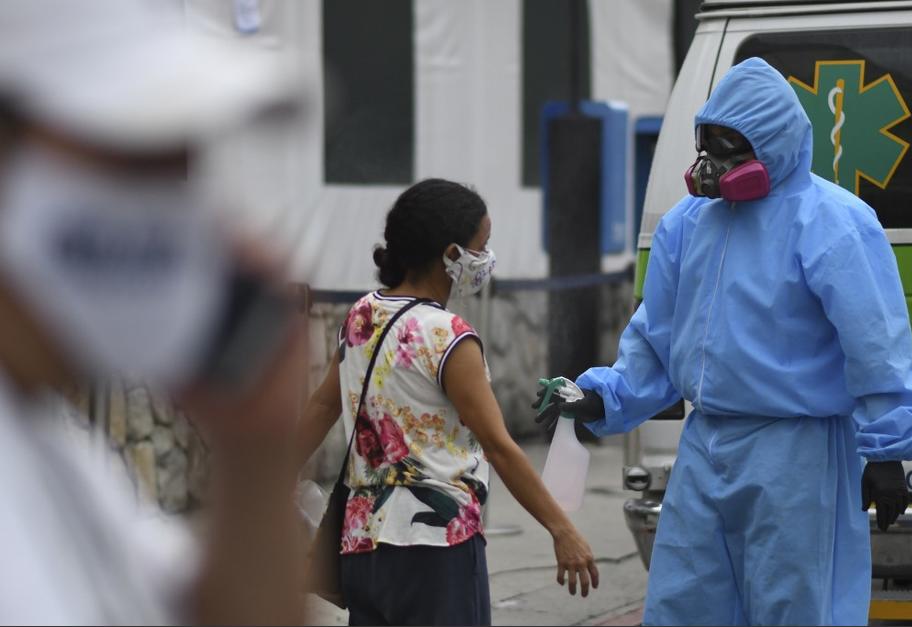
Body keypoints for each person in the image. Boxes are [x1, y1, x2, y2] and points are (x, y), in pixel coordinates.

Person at [535, 57, 912, 625]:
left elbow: (875, 343)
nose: (714, 164)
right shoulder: (687, 224)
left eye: (732, 146)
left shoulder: (833, 222)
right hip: (707, 446)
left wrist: (887, 450)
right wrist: (604, 395)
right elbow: (656, 338)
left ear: (775, 145)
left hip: (797, 454)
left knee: (796, 606)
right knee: (685, 603)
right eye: (709, 144)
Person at [0, 1, 310, 623]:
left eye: (184, 157)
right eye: (131, 150)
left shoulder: (59, 451)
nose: (169, 205)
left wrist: (255, 450)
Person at [299, 178, 599, 626]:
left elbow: (323, 408)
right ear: (451, 255)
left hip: (361, 543)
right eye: (483, 245)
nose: (487, 259)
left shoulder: (362, 315)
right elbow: (498, 446)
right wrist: (562, 528)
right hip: (435, 549)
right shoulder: (449, 337)